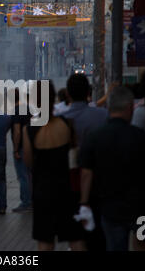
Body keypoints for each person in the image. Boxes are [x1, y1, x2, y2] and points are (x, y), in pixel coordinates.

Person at [78, 86, 145, 251]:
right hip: (141, 209)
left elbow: (86, 172)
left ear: (108, 107)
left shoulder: (95, 137)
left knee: (115, 247)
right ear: (130, 107)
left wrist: (84, 202)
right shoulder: (139, 135)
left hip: (110, 209)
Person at [22, 81, 86, 251]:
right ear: (54, 98)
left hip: (42, 192)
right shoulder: (67, 124)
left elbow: (28, 162)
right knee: (75, 237)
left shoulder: (29, 129)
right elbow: (75, 157)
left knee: (45, 241)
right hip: (66, 191)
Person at [62, 74, 109, 251]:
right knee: (99, 233)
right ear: (89, 92)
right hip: (101, 182)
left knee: (77, 234)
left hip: (71, 184)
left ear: (68, 94)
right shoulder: (103, 116)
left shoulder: (62, 119)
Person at [11, 89, 33, 212]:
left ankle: (26, 202)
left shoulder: (16, 112)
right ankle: (32, 200)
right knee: (30, 175)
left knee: (23, 176)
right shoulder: (29, 109)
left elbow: (17, 131)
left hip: (21, 148)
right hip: (31, 147)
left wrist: (15, 149)